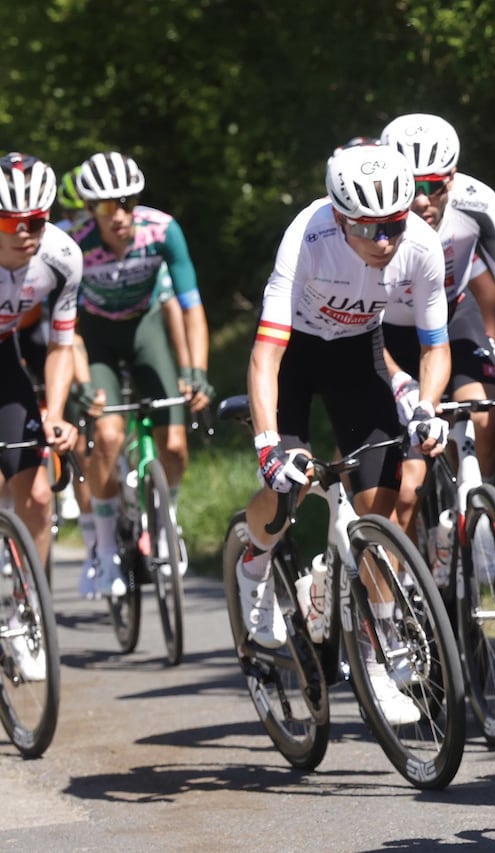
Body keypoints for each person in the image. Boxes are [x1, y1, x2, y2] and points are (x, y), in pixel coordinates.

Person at [235, 143, 451, 724]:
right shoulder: (306, 237)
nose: (384, 241)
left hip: (358, 357)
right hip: (298, 357)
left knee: (380, 510)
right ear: (338, 216)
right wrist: (267, 446)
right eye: (368, 228)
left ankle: (381, 659)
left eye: (394, 225)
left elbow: (435, 347)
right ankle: (253, 561)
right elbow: (266, 355)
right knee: (293, 481)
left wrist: (427, 407)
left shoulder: (423, 247)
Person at [378, 114, 495, 556]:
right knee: (406, 490)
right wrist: (399, 381)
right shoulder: (379, 216)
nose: (424, 200)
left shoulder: (477, 201)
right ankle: (412, 589)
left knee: (486, 416)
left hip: (450, 316)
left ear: (454, 176)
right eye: (413, 187)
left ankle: (469, 503)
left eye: (436, 186)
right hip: (384, 332)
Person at [70, 151, 214, 597]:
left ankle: (166, 520)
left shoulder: (162, 230)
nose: (121, 216)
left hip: (143, 328)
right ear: (91, 209)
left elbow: (190, 306)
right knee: (109, 436)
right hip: (94, 337)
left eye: (128, 202)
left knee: (173, 443)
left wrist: (196, 370)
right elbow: (66, 327)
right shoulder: (73, 242)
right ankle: (106, 547)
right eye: (109, 206)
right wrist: (79, 384)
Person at [0, 153, 81, 618]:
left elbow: (60, 346)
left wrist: (54, 414)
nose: (27, 233)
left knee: (36, 494)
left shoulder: (62, 256)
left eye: (36, 220)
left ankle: (27, 609)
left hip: (4, 355)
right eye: (13, 224)